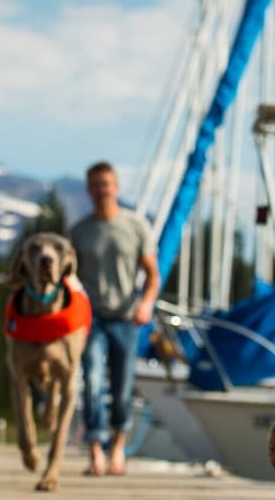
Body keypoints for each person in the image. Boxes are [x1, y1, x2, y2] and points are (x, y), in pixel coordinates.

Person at [70, 161, 160, 476]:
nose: (101, 190)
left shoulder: (135, 226)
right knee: (92, 381)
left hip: (126, 318)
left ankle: (117, 449)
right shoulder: (79, 232)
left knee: (122, 388)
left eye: (105, 184)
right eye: (95, 185)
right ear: (88, 190)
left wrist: (146, 304)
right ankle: (95, 450)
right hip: (90, 318)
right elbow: (70, 279)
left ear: (116, 187)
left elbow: (152, 275)